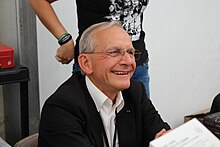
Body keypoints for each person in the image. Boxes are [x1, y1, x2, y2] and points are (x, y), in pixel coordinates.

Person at [38, 21, 170, 147]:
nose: (127, 61)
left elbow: (164, 137)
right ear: (86, 63)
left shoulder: (135, 92)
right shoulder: (61, 108)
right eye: (114, 52)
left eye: (130, 52)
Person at [28, 0, 151, 98]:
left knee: (141, 124)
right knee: (94, 124)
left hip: (136, 65)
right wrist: (64, 39)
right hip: (97, 68)